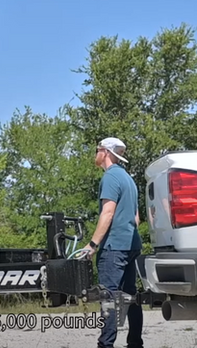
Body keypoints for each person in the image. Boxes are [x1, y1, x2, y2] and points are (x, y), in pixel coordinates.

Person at [80, 137, 143, 348]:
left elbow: (107, 213)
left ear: (105, 152)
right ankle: (135, 343)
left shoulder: (110, 178)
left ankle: (105, 345)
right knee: (130, 297)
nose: (95, 153)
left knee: (109, 297)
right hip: (131, 245)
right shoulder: (128, 179)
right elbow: (136, 218)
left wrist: (93, 244)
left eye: (97, 149)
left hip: (113, 247)